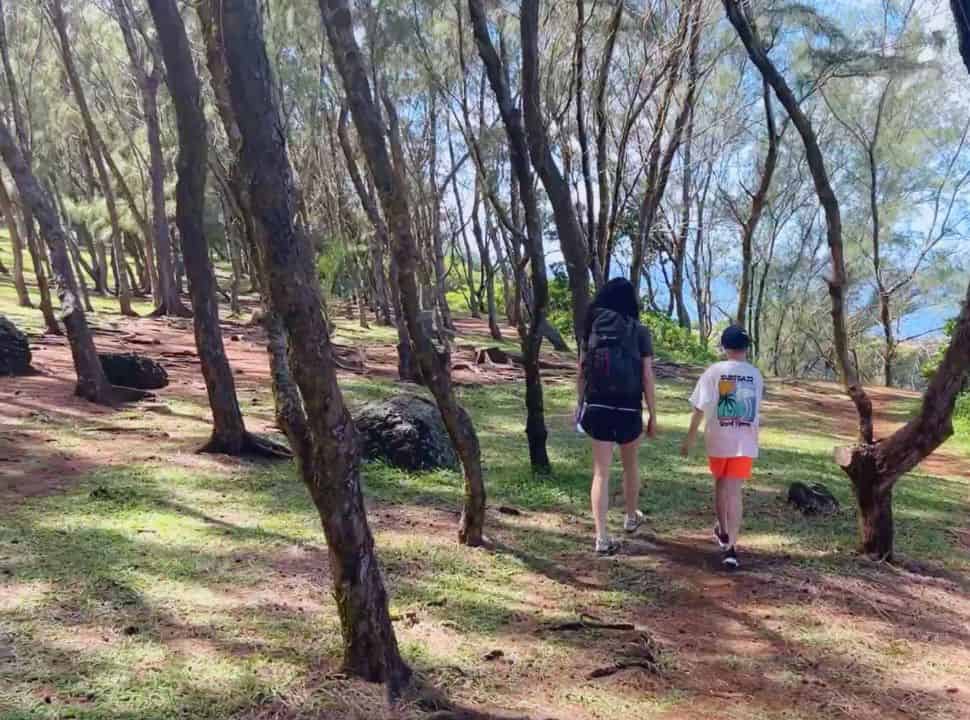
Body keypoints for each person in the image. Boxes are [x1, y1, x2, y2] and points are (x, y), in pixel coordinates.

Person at [575, 278, 658, 556]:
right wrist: (653, 414)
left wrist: (580, 404)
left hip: (597, 404)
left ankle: (601, 537)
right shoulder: (640, 331)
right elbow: (647, 375)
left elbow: (582, 369)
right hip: (628, 408)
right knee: (630, 466)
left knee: (601, 472)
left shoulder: (592, 326)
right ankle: (631, 517)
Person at [681, 325, 764, 571]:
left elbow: (699, 408)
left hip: (718, 438)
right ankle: (731, 548)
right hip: (745, 440)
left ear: (725, 347)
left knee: (720, 483)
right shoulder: (755, 375)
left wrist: (689, 439)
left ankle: (724, 532)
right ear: (746, 348)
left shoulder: (714, 371)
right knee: (734, 491)